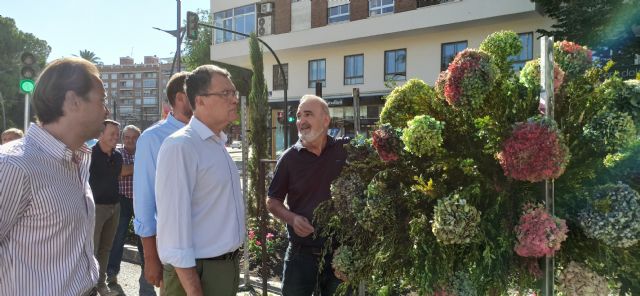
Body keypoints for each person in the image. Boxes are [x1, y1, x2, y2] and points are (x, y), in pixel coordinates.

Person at [0, 57, 107, 295]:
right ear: (73, 101)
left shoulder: (75, 160)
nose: (106, 111)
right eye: (102, 101)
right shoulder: (13, 164)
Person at [155, 65, 245, 296]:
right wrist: (194, 290)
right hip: (197, 274)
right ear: (200, 101)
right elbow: (174, 231)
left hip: (223, 269)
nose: (234, 99)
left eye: (234, 93)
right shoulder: (182, 146)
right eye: (226, 93)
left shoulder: (216, 144)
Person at [267, 95, 349, 296]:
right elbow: (272, 201)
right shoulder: (289, 158)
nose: (301, 121)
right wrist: (292, 219)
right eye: (298, 116)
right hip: (300, 255)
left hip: (338, 255)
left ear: (326, 120)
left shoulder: (344, 150)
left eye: (308, 114)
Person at [133, 71, 192, 290]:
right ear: (180, 98)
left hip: (208, 250)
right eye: (197, 92)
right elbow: (144, 201)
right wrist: (150, 258)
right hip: (174, 251)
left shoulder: (208, 135)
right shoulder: (152, 139)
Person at [106, 124, 155, 295]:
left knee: (145, 237)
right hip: (123, 200)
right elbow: (120, 171)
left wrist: (132, 168)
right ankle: (112, 272)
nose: (130, 140)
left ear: (139, 138)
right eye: (127, 137)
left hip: (142, 200)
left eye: (134, 137)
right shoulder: (116, 152)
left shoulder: (145, 151)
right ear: (122, 138)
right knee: (118, 237)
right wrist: (139, 166)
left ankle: (147, 271)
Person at [90, 119, 123, 296]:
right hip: (96, 207)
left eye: (117, 134)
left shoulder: (118, 156)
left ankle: (101, 285)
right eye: (112, 133)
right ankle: (89, 287)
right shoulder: (90, 154)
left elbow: (115, 178)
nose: (116, 137)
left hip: (114, 207)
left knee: (106, 249)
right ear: (100, 134)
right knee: (92, 249)